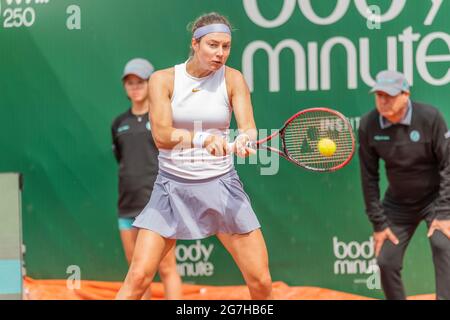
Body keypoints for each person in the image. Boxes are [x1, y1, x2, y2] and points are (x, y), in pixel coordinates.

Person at [116, 13, 273, 300]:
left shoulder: (233, 79)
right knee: (137, 279)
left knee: (261, 281)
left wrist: (242, 140)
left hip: (223, 188)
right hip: (171, 190)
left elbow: (249, 128)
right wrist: (203, 139)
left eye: (226, 47)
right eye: (213, 45)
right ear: (195, 43)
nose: (220, 53)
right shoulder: (163, 80)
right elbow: (162, 135)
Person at [358, 70, 450, 300]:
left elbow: (448, 165)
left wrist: (444, 212)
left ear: (405, 94)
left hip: (435, 199)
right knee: (385, 260)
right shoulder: (369, 125)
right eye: (379, 95)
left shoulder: (430, 117)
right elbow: (368, 177)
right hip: (398, 204)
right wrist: (378, 223)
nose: (383, 100)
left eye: (389, 95)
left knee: (444, 245)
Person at [111, 58, 182, 300]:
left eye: (140, 81)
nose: (135, 86)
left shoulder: (163, 119)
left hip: (159, 204)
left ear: (151, 83)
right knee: (136, 273)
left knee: (166, 268)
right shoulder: (119, 123)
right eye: (130, 82)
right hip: (127, 205)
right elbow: (121, 159)